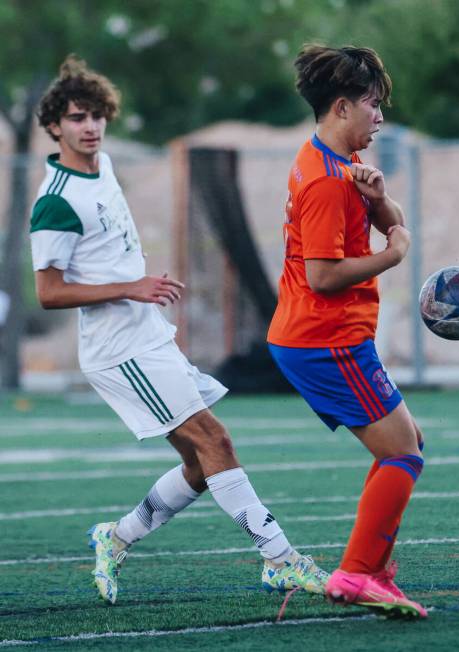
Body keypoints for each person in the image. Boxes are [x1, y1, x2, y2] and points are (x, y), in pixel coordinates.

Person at [30, 55, 329, 605]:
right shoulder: (55, 203)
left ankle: (117, 536)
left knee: (198, 460)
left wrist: (136, 288)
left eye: (97, 114)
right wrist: (131, 287)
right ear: (54, 126)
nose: (90, 126)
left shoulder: (102, 165)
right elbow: (47, 293)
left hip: (146, 333)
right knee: (216, 441)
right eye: (77, 117)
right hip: (119, 351)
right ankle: (280, 559)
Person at [267, 45, 427, 619]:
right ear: (340, 107)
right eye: (372, 103)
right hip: (325, 338)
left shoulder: (329, 164)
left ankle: (370, 568)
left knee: (404, 448)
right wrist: (392, 256)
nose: (379, 115)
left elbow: (394, 222)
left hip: (320, 336)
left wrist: (380, 201)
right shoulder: (327, 182)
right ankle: (359, 574)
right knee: (404, 454)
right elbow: (324, 277)